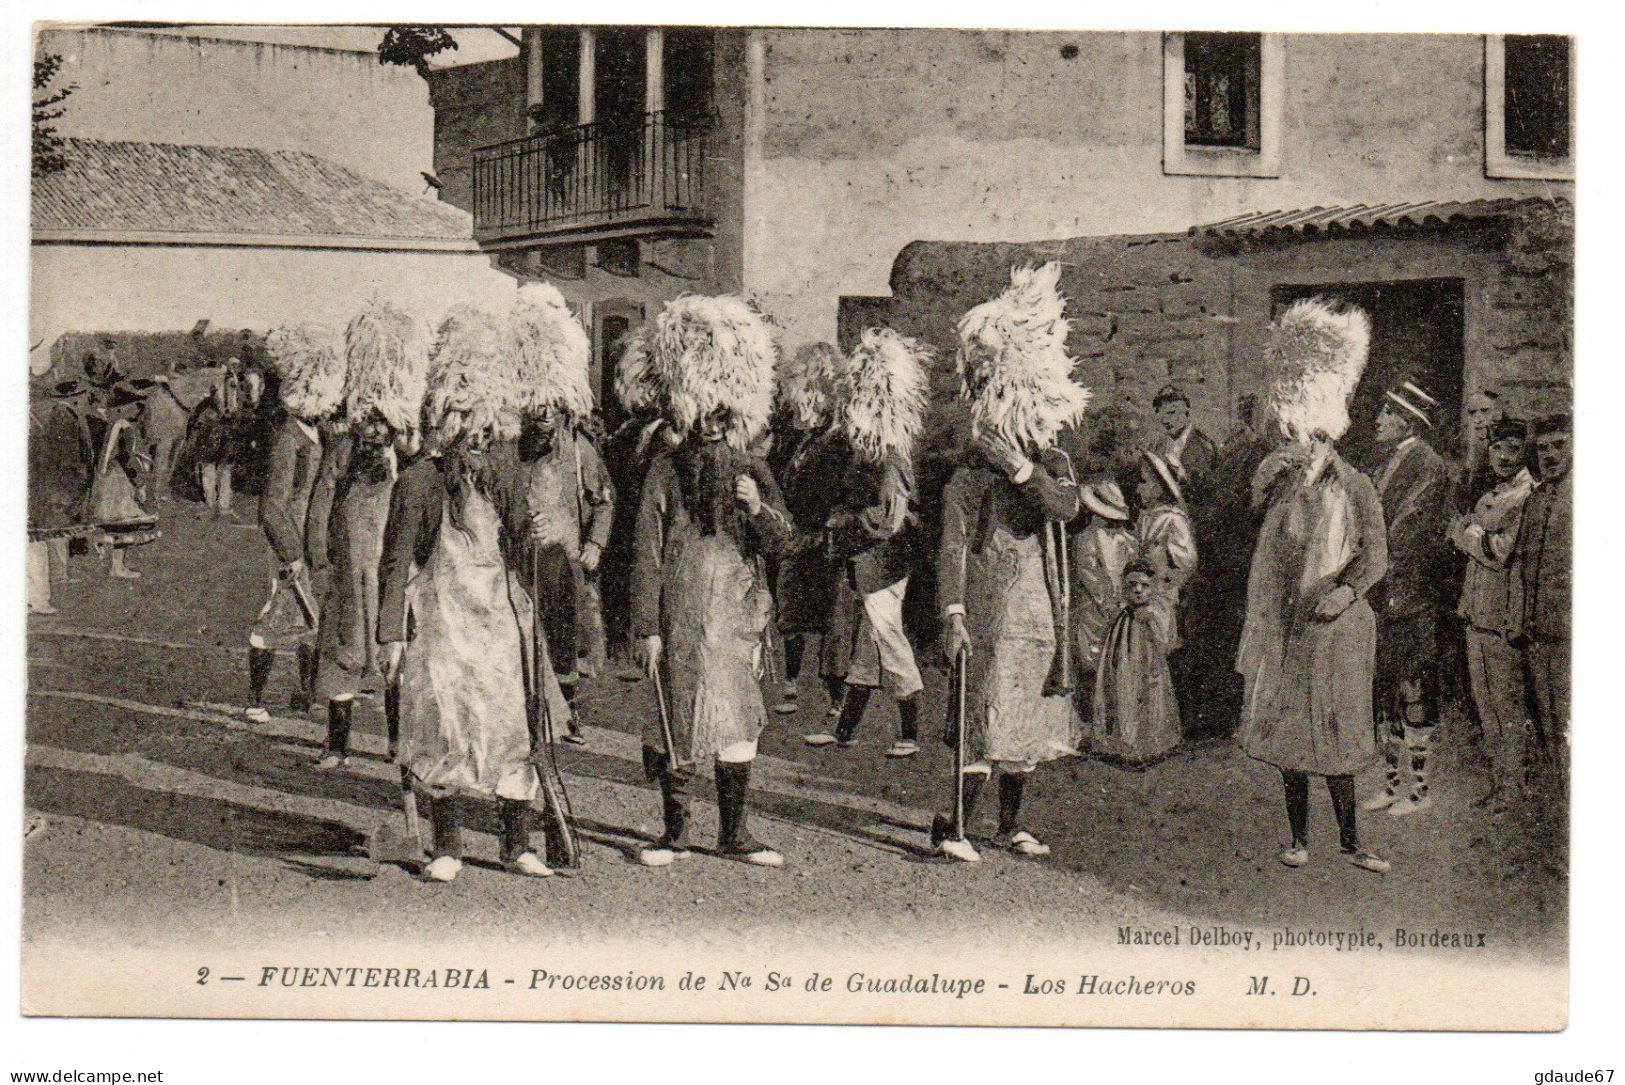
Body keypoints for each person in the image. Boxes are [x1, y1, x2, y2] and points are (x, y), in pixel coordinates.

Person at [376, 306, 553, 883]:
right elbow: (395, 563)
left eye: (482, 422)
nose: (473, 433)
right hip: (442, 625)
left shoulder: (505, 477)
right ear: (442, 420)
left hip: (501, 625)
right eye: (462, 421)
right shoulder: (420, 482)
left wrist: (537, 534)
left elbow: (524, 553)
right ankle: (447, 844)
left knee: (508, 728)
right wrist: (391, 636)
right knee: (446, 728)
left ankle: (517, 844)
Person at [630, 295, 796, 869]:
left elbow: (785, 542)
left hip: (737, 621)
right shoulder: (664, 471)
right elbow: (645, 553)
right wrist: (646, 628)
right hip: (678, 620)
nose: (713, 428)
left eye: (722, 418)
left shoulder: (754, 471)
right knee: (676, 720)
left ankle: (735, 832)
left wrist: (758, 511)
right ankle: (673, 833)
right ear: (687, 410)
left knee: (735, 724)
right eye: (703, 416)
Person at [932, 262, 1088, 863]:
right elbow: (953, 544)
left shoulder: (1050, 464)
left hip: (1040, 611)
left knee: (1026, 721)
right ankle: (954, 826)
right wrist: (952, 613)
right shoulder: (968, 476)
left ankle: (1009, 824)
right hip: (990, 611)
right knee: (983, 712)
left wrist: (1019, 468)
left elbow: (1063, 508)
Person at [1237, 297, 1391, 874]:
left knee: (1340, 734)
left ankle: (1352, 842)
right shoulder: (1280, 486)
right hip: (1289, 626)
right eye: (1291, 438)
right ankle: (1299, 838)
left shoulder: (1356, 486)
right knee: (1291, 738)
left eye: (1306, 440)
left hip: (1339, 628)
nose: (1297, 449)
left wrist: (1344, 593)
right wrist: (1258, 495)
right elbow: (1265, 555)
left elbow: (1376, 556)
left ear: (1327, 437)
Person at [311, 300, 428, 769]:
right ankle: (337, 745)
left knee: (397, 660)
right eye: (369, 420)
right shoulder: (341, 452)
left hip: (393, 576)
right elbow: (319, 508)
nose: (374, 429)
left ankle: (399, 743)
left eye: (383, 421)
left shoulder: (409, 461)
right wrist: (319, 562)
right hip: (347, 574)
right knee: (342, 655)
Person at [803, 328, 930, 757]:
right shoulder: (869, 453)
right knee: (866, 646)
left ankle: (910, 731)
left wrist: (843, 525)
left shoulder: (890, 456)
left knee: (887, 638)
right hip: (870, 561)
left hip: (887, 562)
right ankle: (846, 731)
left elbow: (890, 518)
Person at [507, 281, 615, 747]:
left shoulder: (579, 450)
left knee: (563, 634)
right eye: (538, 409)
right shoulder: (509, 451)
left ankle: (570, 713)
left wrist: (595, 543)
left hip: (564, 561)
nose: (545, 417)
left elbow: (604, 500)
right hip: (517, 559)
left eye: (553, 408)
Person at [246, 324, 345, 724]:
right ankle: (254, 699)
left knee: (310, 620)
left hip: (309, 546)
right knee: (274, 618)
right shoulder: (288, 439)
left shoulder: (314, 435)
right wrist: (291, 554)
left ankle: (305, 694)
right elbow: (271, 506)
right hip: (290, 548)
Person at [1363, 379, 1450, 818]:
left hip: (1409, 595)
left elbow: (1408, 533)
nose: (1378, 421)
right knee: (1386, 692)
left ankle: (1419, 791)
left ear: (1406, 420)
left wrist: (1371, 565)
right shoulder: (1389, 463)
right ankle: (1391, 785)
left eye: (1386, 414)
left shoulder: (1427, 465)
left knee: (1413, 689)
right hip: (1385, 595)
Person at [1447, 417, 1535, 813]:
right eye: (1497, 448)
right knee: (1487, 706)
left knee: (1506, 706)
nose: (1502, 456)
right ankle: (1502, 784)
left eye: (1512, 449)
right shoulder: (1496, 493)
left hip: (1502, 617)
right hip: (1478, 613)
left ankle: (1514, 786)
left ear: (1523, 453)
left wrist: (1464, 534)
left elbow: (1499, 552)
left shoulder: (1525, 495)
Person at [770, 342, 847, 716]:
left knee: (832, 619)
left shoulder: (840, 442)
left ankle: (836, 697)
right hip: (799, 536)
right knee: (792, 612)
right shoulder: (804, 439)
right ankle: (791, 683)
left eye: (799, 393)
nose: (792, 402)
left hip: (827, 539)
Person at [1510, 413, 1571, 802]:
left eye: (1558, 446)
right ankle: (1560, 804)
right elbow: (1523, 567)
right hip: (1537, 632)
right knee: (1548, 722)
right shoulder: (1537, 498)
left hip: (1570, 636)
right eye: (1543, 448)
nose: (1550, 455)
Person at [1090, 559, 1180, 764]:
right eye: (1132, 585)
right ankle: (1124, 743)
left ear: (1152, 587)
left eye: (1144, 586)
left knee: (1149, 693)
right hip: (1125, 659)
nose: (1138, 591)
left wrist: (1152, 621)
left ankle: (1148, 745)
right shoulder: (1123, 617)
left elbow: (1165, 641)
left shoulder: (1156, 612)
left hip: (1148, 662)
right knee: (1123, 690)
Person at [1069, 479, 1136, 697]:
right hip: (1099, 609)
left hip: (1110, 608)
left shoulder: (1120, 539)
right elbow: (1089, 576)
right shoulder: (1092, 537)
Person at [1150, 383, 1218, 487]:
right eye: (1161, 414)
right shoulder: (1156, 447)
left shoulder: (1205, 446)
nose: (1165, 420)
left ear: (1186, 411)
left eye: (1171, 412)